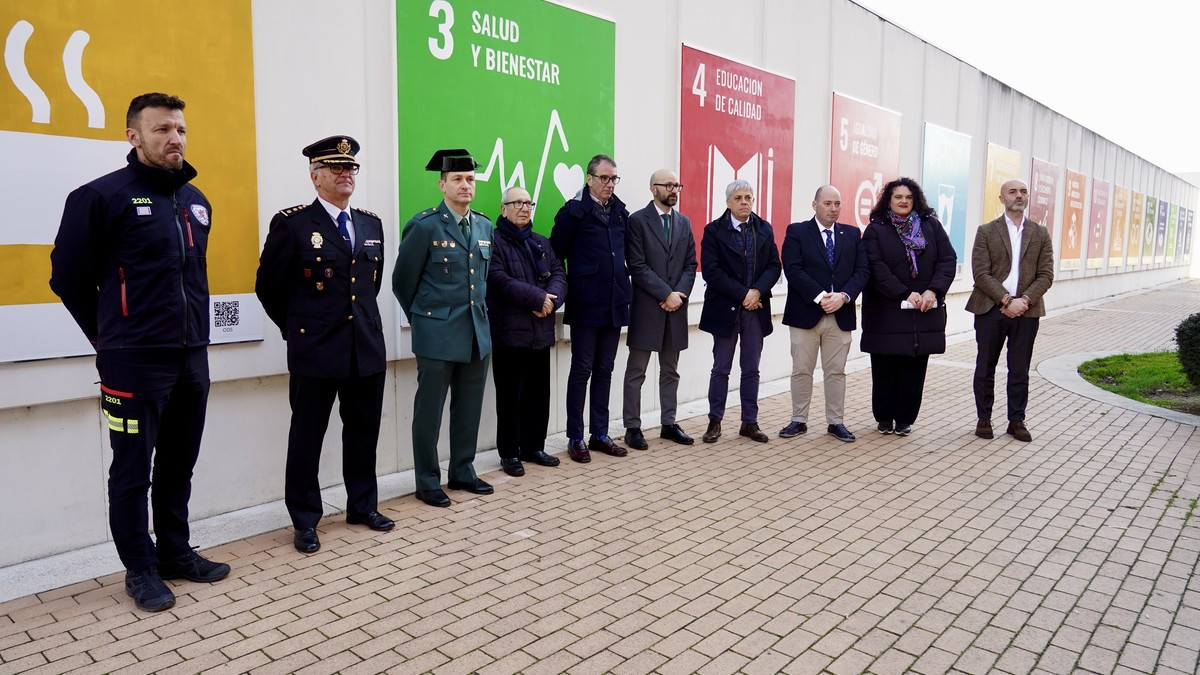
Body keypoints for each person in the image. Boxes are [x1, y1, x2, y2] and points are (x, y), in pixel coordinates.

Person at [49, 93, 230, 612]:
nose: (174, 138)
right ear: (133, 137)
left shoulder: (196, 200)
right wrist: (108, 336)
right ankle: (141, 569)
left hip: (192, 356)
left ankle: (176, 551)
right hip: (133, 360)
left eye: (180, 129)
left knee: (180, 462)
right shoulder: (100, 197)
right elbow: (68, 278)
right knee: (132, 469)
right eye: (161, 130)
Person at [255, 136, 394, 554]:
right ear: (315, 176)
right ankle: (304, 518)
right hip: (315, 351)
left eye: (350, 168)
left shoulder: (371, 224)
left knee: (364, 432)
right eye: (335, 168)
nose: (345, 174)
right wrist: (299, 328)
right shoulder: (293, 224)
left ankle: (362, 506)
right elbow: (268, 288)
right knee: (307, 437)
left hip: (365, 347)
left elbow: (372, 283)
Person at [393, 149, 494, 506]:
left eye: (470, 179)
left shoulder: (484, 225)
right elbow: (403, 283)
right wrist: (424, 322)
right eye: (457, 179)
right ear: (442, 184)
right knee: (430, 412)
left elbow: (483, 282)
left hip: (476, 335)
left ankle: (463, 471)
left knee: (469, 408)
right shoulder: (424, 226)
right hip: (436, 336)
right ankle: (427, 480)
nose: (465, 185)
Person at [549, 154, 632, 462]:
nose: (609, 184)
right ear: (589, 179)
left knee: (605, 370)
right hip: (586, 303)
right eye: (604, 178)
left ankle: (599, 433)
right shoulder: (573, 213)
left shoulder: (620, 213)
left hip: (614, 302)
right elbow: (555, 253)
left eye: (613, 179)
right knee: (582, 369)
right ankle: (575, 436)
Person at [860, 177, 957, 436]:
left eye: (908, 197)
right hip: (886, 313)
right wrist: (905, 293)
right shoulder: (876, 230)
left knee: (914, 372)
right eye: (898, 197)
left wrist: (932, 290)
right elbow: (876, 268)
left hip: (923, 312)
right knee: (885, 369)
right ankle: (884, 418)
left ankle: (904, 419)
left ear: (916, 200)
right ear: (888, 201)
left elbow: (948, 259)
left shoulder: (931, 226)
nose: (903, 201)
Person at [965, 179, 1054, 442]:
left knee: (1019, 370)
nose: (1019, 196)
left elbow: (1046, 275)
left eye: (1023, 191)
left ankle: (1016, 421)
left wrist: (1024, 300)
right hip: (991, 308)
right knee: (985, 367)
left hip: (1026, 310)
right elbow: (981, 273)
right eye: (1012, 192)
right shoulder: (986, 231)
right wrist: (1006, 300)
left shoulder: (1040, 233)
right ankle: (984, 418)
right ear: (1001, 198)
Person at [486, 186, 567, 476]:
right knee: (510, 397)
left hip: (540, 331)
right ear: (503, 208)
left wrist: (551, 298)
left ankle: (534, 447)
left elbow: (558, 273)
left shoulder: (541, 242)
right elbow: (498, 280)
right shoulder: (493, 242)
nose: (523, 207)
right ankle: (509, 453)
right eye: (516, 202)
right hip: (509, 334)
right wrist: (537, 298)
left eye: (527, 203)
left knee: (538, 394)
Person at [780, 185, 869, 442]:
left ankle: (836, 422)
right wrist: (821, 297)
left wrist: (843, 297)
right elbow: (793, 269)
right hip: (805, 313)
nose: (833, 208)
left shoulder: (852, 234)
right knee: (801, 370)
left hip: (840, 314)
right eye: (828, 203)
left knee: (836, 372)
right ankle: (798, 420)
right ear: (815, 204)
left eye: (837, 204)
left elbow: (862, 271)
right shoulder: (797, 231)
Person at [699, 180, 782, 444]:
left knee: (751, 369)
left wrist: (756, 291)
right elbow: (712, 272)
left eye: (748, 197)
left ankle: (749, 422)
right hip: (726, 309)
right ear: (728, 202)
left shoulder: (764, 229)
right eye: (738, 198)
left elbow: (773, 266)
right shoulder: (713, 231)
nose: (744, 202)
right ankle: (715, 421)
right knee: (720, 368)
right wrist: (744, 294)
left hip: (755, 310)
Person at [622, 170, 698, 449]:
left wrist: (678, 295)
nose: (674, 189)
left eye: (677, 184)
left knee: (670, 370)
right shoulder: (637, 222)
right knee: (636, 371)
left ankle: (669, 423)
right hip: (647, 308)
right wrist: (666, 293)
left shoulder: (684, 223)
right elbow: (637, 266)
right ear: (653, 189)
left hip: (676, 308)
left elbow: (691, 264)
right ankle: (633, 427)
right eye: (668, 185)